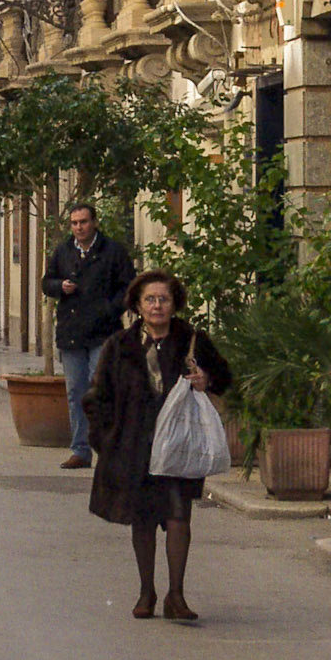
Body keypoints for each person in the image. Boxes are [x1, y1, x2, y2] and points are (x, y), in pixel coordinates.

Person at [85, 269, 231, 623]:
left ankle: (176, 595)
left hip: (179, 448)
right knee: (143, 519)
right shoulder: (119, 346)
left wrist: (205, 380)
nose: (157, 306)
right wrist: (107, 440)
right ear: (137, 304)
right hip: (135, 447)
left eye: (163, 299)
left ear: (174, 303)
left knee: (179, 516)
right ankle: (146, 591)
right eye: (149, 299)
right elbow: (97, 397)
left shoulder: (192, 340)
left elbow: (225, 378)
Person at [42, 201, 135, 471]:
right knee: (76, 392)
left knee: (102, 389)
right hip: (72, 333)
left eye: (83, 222)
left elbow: (129, 287)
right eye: (74, 223)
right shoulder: (64, 251)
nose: (79, 227)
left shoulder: (113, 251)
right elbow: (46, 282)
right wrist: (61, 286)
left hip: (103, 332)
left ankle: (107, 448)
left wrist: (109, 308)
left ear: (94, 222)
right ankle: (80, 451)